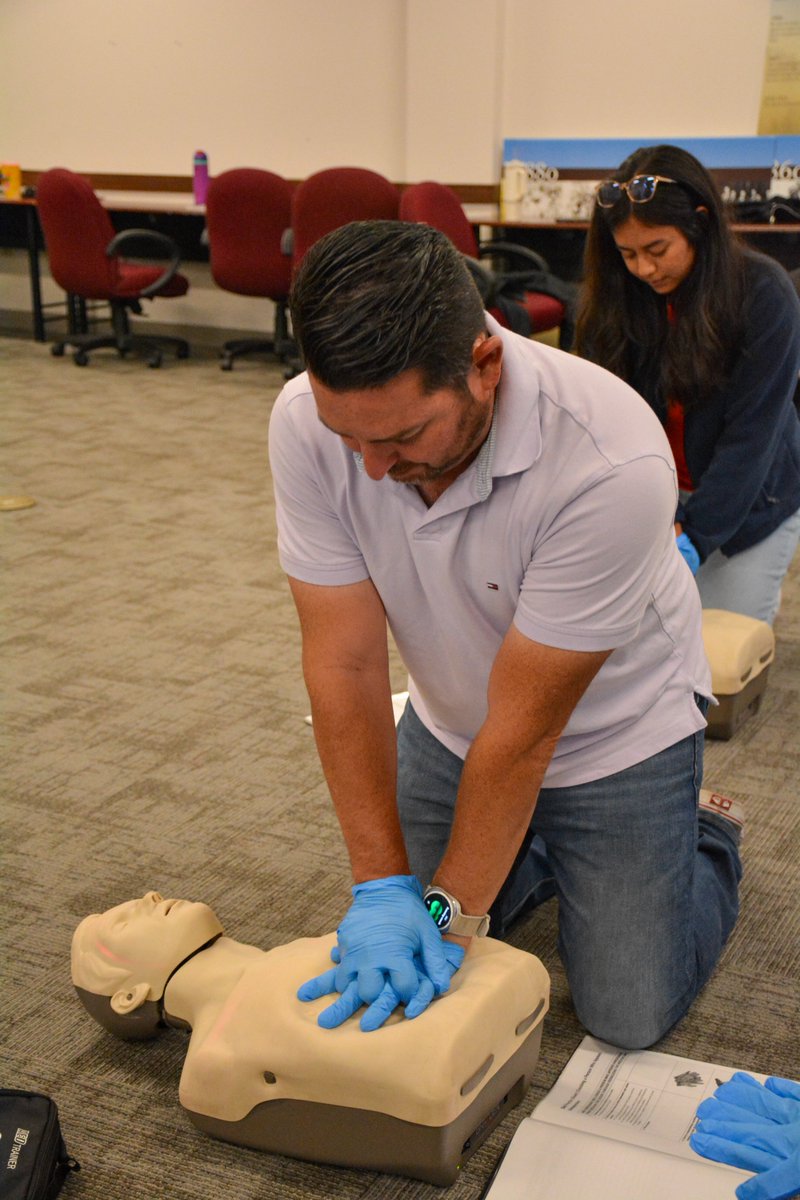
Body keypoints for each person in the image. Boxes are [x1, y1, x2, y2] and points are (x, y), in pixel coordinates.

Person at [268, 219, 743, 1051]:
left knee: (625, 1013)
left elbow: (526, 735)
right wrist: (381, 886)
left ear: (484, 366)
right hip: (452, 722)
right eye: (352, 439)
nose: (371, 468)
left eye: (404, 437)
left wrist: (450, 916)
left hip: (614, 735)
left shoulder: (609, 459)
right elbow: (342, 664)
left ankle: (701, 837)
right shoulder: (308, 420)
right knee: (399, 922)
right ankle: (537, 850)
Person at [70, 891, 549, 1183]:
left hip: (468, 1037)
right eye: (125, 920)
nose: (151, 898)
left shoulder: (296, 953)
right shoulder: (214, 1062)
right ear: (129, 995)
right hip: (453, 1057)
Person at [576, 143, 800, 625]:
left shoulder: (764, 294)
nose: (644, 269)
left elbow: (751, 440)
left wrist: (694, 539)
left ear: (700, 222)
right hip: (653, 495)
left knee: (718, 654)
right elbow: (599, 417)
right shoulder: (621, 298)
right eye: (628, 254)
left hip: (750, 498)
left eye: (657, 250)